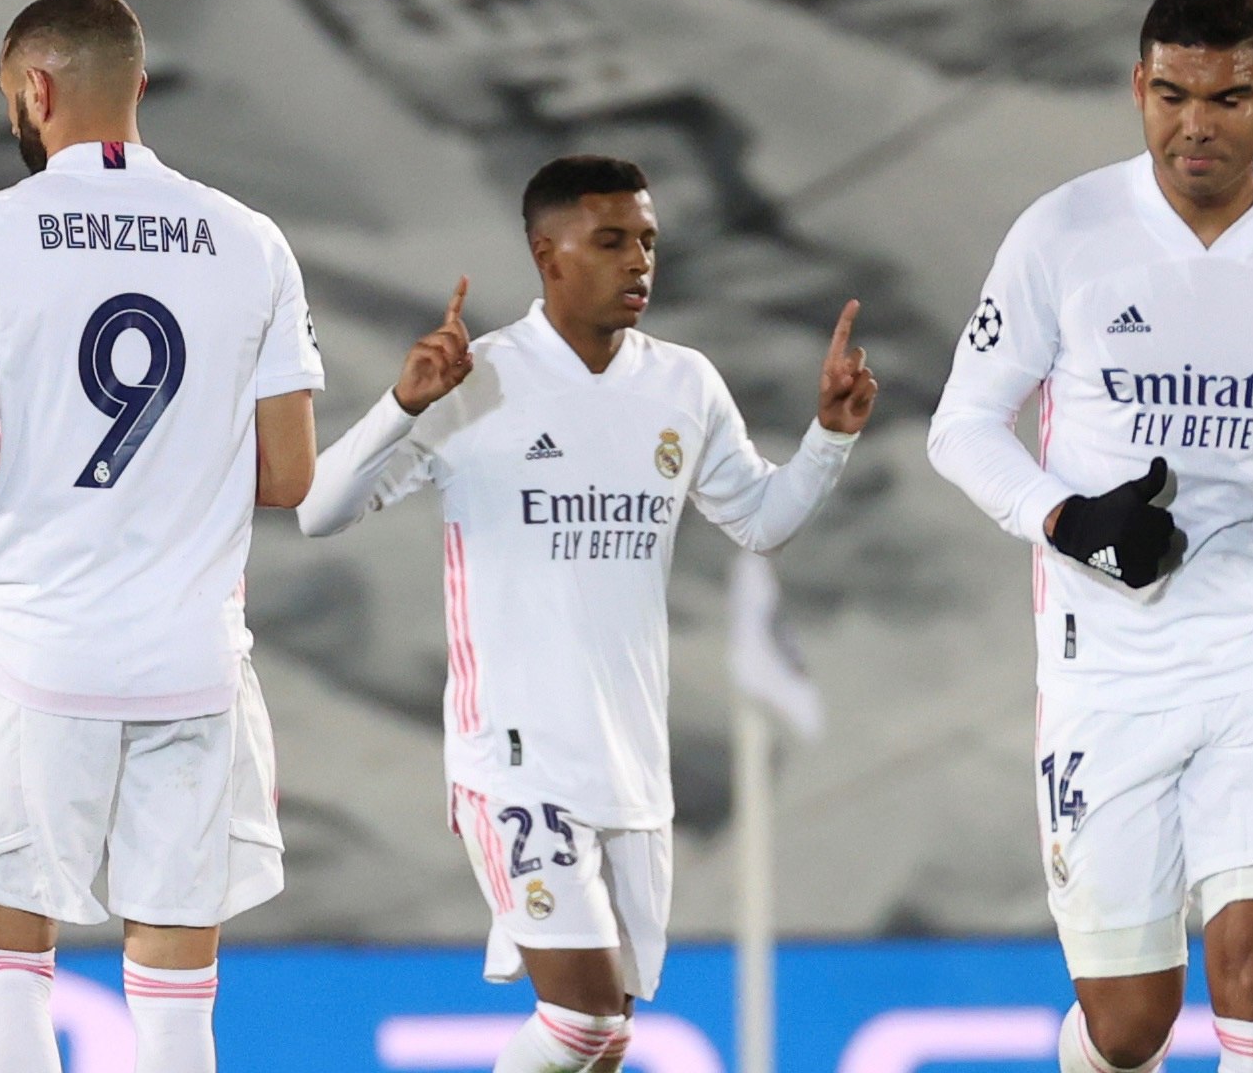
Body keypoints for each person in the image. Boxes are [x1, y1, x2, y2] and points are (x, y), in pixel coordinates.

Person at [928, 0, 1253, 1073]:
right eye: (1171, 96)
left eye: (1224, 98)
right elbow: (960, 424)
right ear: (1138, 88)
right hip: (1107, 666)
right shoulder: (1062, 234)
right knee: (1129, 1026)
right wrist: (1067, 519)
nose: (1193, 127)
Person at [0, 0, 323, 1073]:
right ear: (139, 85)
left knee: (11, 976)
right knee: (175, 1004)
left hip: (38, 659)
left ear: (36, 91)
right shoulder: (253, 241)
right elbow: (289, 475)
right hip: (194, 662)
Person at [297, 154, 876, 1072]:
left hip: (632, 766)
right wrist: (404, 403)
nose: (639, 261)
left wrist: (830, 438)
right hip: (518, 759)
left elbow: (762, 521)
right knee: (582, 1023)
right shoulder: (474, 379)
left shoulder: (683, 384)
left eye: (647, 241)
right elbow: (319, 509)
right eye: (611, 241)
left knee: (602, 1046)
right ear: (547, 253)